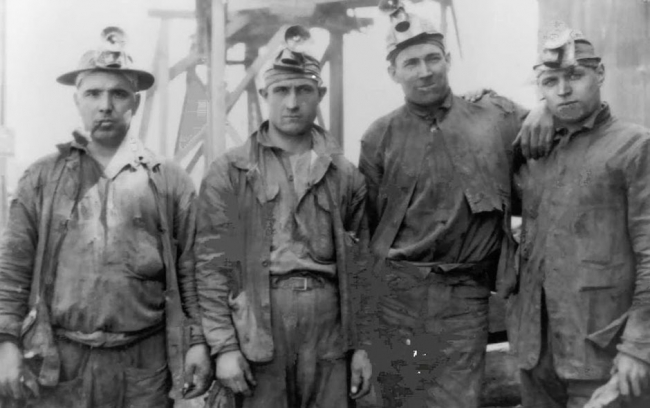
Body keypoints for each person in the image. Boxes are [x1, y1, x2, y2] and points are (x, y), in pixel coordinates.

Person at [0, 27, 212, 407]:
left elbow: (191, 271)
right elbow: (13, 270)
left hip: (144, 363)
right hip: (60, 360)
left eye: (118, 94)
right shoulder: (42, 178)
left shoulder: (168, 180)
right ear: (77, 100)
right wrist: (6, 344)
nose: (105, 105)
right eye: (93, 93)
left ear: (137, 103)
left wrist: (198, 344)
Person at [358, 3, 553, 407]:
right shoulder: (379, 136)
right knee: (401, 397)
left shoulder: (493, 116)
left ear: (447, 60)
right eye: (410, 62)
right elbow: (368, 227)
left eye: (432, 58)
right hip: (399, 294)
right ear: (393, 72)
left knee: (457, 400)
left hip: (464, 293)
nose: (425, 70)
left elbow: (562, 125)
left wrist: (544, 109)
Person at [195, 27, 373, 408]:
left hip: (328, 329)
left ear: (319, 95)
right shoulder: (230, 171)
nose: (292, 102)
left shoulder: (345, 174)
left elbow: (361, 270)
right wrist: (224, 348)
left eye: (303, 90)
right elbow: (211, 267)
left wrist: (361, 346)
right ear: (264, 96)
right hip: (258, 326)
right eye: (281, 91)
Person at [511, 22, 650, 408]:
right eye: (550, 81)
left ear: (600, 74)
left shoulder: (635, 146)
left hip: (603, 356)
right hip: (536, 358)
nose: (563, 90)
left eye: (575, 75)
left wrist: (639, 348)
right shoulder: (536, 148)